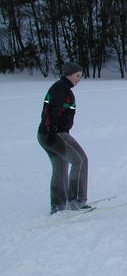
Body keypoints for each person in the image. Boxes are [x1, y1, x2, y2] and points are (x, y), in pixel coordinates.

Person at [37, 62, 90, 214]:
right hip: (55, 133)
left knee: (60, 167)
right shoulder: (61, 88)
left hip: (45, 134)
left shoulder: (60, 87)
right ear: (69, 74)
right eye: (77, 76)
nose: (79, 79)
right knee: (80, 160)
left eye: (80, 76)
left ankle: (58, 206)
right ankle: (77, 202)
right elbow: (53, 109)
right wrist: (53, 129)